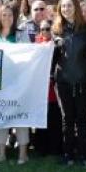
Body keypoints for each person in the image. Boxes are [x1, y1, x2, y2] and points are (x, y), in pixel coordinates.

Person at [52, 0, 86, 167]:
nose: (66, 9)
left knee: (82, 118)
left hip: (83, 80)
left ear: (76, 7)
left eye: (69, 6)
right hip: (63, 81)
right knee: (67, 118)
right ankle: (68, 154)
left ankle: (83, 155)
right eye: (63, 6)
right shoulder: (56, 30)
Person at [0, 5, 30, 164]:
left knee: (20, 119)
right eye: (3, 15)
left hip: (19, 84)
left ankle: (22, 154)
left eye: (10, 15)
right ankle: (1, 153)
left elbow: (29, 56)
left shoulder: (21, 34)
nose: (7, 18)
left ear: (14, 18)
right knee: (1, 118)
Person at [33, 19, 63, 157]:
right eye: (42, 29)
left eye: (48, 29)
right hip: (39, 90)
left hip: (54, 89)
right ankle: (41, 148)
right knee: (41, 120)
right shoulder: (35, 46)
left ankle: (55, 148)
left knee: (54, 119)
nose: (45, 32)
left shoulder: (58, 45)